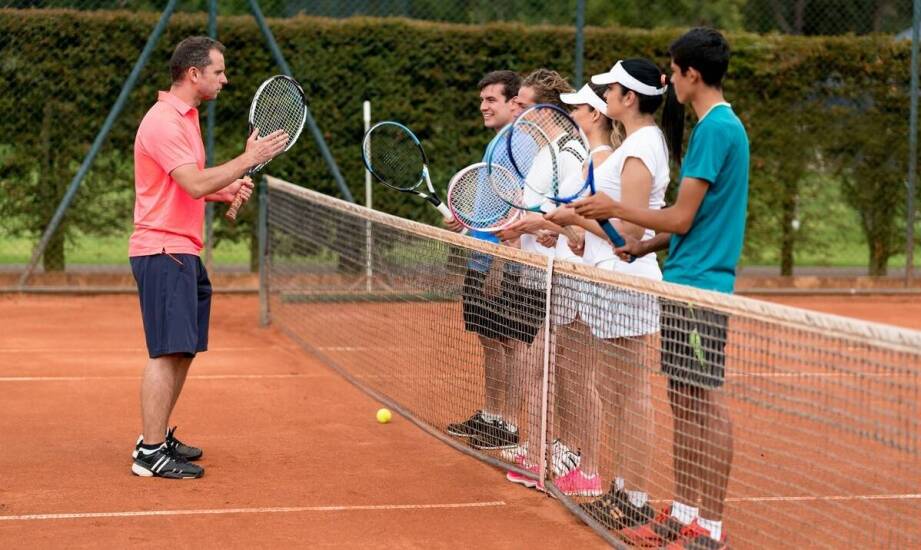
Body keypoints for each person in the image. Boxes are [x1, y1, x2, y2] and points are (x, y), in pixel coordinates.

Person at [573, 28, 748, 549]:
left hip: (700, 287)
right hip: (683, 277)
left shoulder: (717, 129)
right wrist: (642, 248)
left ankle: (709, 530)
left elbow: (682, 215)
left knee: (704, 402)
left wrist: (615, 211)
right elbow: (692, 224)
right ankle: (686, 513)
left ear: (691, 75)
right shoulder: (711, 129)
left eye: (673, 71)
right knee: (684, 400)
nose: (668, 80)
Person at [129, 36, 288, 479]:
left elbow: (191, 183)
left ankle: (157, 435)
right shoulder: (163, 121)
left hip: (182, 251)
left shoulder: (186, 119)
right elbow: (194, 185)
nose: (225, 78)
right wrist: (247, 159)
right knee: (166, 352)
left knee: (182, 351)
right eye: (218, 71)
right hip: (163, 250)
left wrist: (228, 188)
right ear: (193, 73)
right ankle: (149, 452)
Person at [548, 60, 683, 532]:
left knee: (631, 396)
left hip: (628, 280)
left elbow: (630, 230)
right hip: (606, 281)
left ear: (629, 98)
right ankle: (622, 490)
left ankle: (636, 497)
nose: (604, 94)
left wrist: (575, 219)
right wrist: (581, 217)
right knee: (614, 392)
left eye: (610, 89)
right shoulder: (635, 142)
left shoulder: (644, 145)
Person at [496, 69, 592, 496]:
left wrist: (531, 225)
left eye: (525, 106)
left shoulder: (568, 151)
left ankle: (564, 453)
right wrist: (527, 226)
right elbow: (545, 211)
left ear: (546, 109)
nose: (519, 113)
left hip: (565, 274)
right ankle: (545, 447)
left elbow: (572, 215)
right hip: (541, 270)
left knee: (563, 370)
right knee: (544, 368)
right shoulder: (543, 150)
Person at [444, 70, 524, 450]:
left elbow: (516, 209)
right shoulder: (497, 143)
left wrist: (499, 263)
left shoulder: (517, 144)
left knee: (507, 341)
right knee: (489, 339)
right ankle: (492, 415)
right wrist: (465, 224)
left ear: (513, 103)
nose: (483, 107)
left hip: (497, 261)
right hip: (480, 255)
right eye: (482, 100)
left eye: (491, 100)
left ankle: (507, 423)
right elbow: (491, 203)